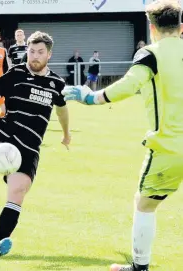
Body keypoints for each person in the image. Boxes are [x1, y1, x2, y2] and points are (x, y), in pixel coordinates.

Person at [62, 1, 183, 271]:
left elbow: (129, 85)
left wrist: (91, 97)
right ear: (181, 28)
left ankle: (140, 266)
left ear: (152, 29)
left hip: (170, 147)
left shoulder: (151, 54)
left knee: (145, 204)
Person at [0, 31, 71, 257]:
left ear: (49, 55)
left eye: (40, 52)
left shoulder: (56, 82)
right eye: (32, 51)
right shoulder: (15, 73)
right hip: (2, 139)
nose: (34, 56)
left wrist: (66, 134)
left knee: (17, 191)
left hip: (28, 148)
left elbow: (62, 109)